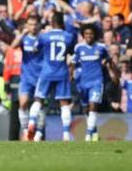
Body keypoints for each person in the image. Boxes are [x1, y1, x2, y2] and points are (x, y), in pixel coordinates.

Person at [29, 12, 76, 141]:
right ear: (62, 23)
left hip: (47, 72)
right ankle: (66, 134)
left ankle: (31, 123)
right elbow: (71, 53)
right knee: (64, 103)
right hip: (62, 72)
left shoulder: (45, 36)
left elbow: (34, 49)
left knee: (38, 99)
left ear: (52, 22)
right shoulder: (69, 37)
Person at [72, 25, 113, 141]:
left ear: (95, 35)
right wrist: (70, 76)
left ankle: (88, 134)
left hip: (97, 81)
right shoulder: (79, 48)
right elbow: (73, 64)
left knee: (93, 104)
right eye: (86, 34)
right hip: (83, 82)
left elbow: (109, 61)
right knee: (86, 108)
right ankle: (94, 131)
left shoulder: (101, 47)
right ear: (83, 35)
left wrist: (113, 73)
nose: (89, 36)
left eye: (91, 33)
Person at [11, 15, 44, 141]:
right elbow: (13, 46)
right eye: (30, 24)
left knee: (39, 106)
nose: (33, 27)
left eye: (35, 24)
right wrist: (21, 34)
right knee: (23, 104)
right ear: (27, 26)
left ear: (39, 25)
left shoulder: (43, 38)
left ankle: (39, 134)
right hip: (26, 77)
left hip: (40, 77)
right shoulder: (24, 39)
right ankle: (26, 131)